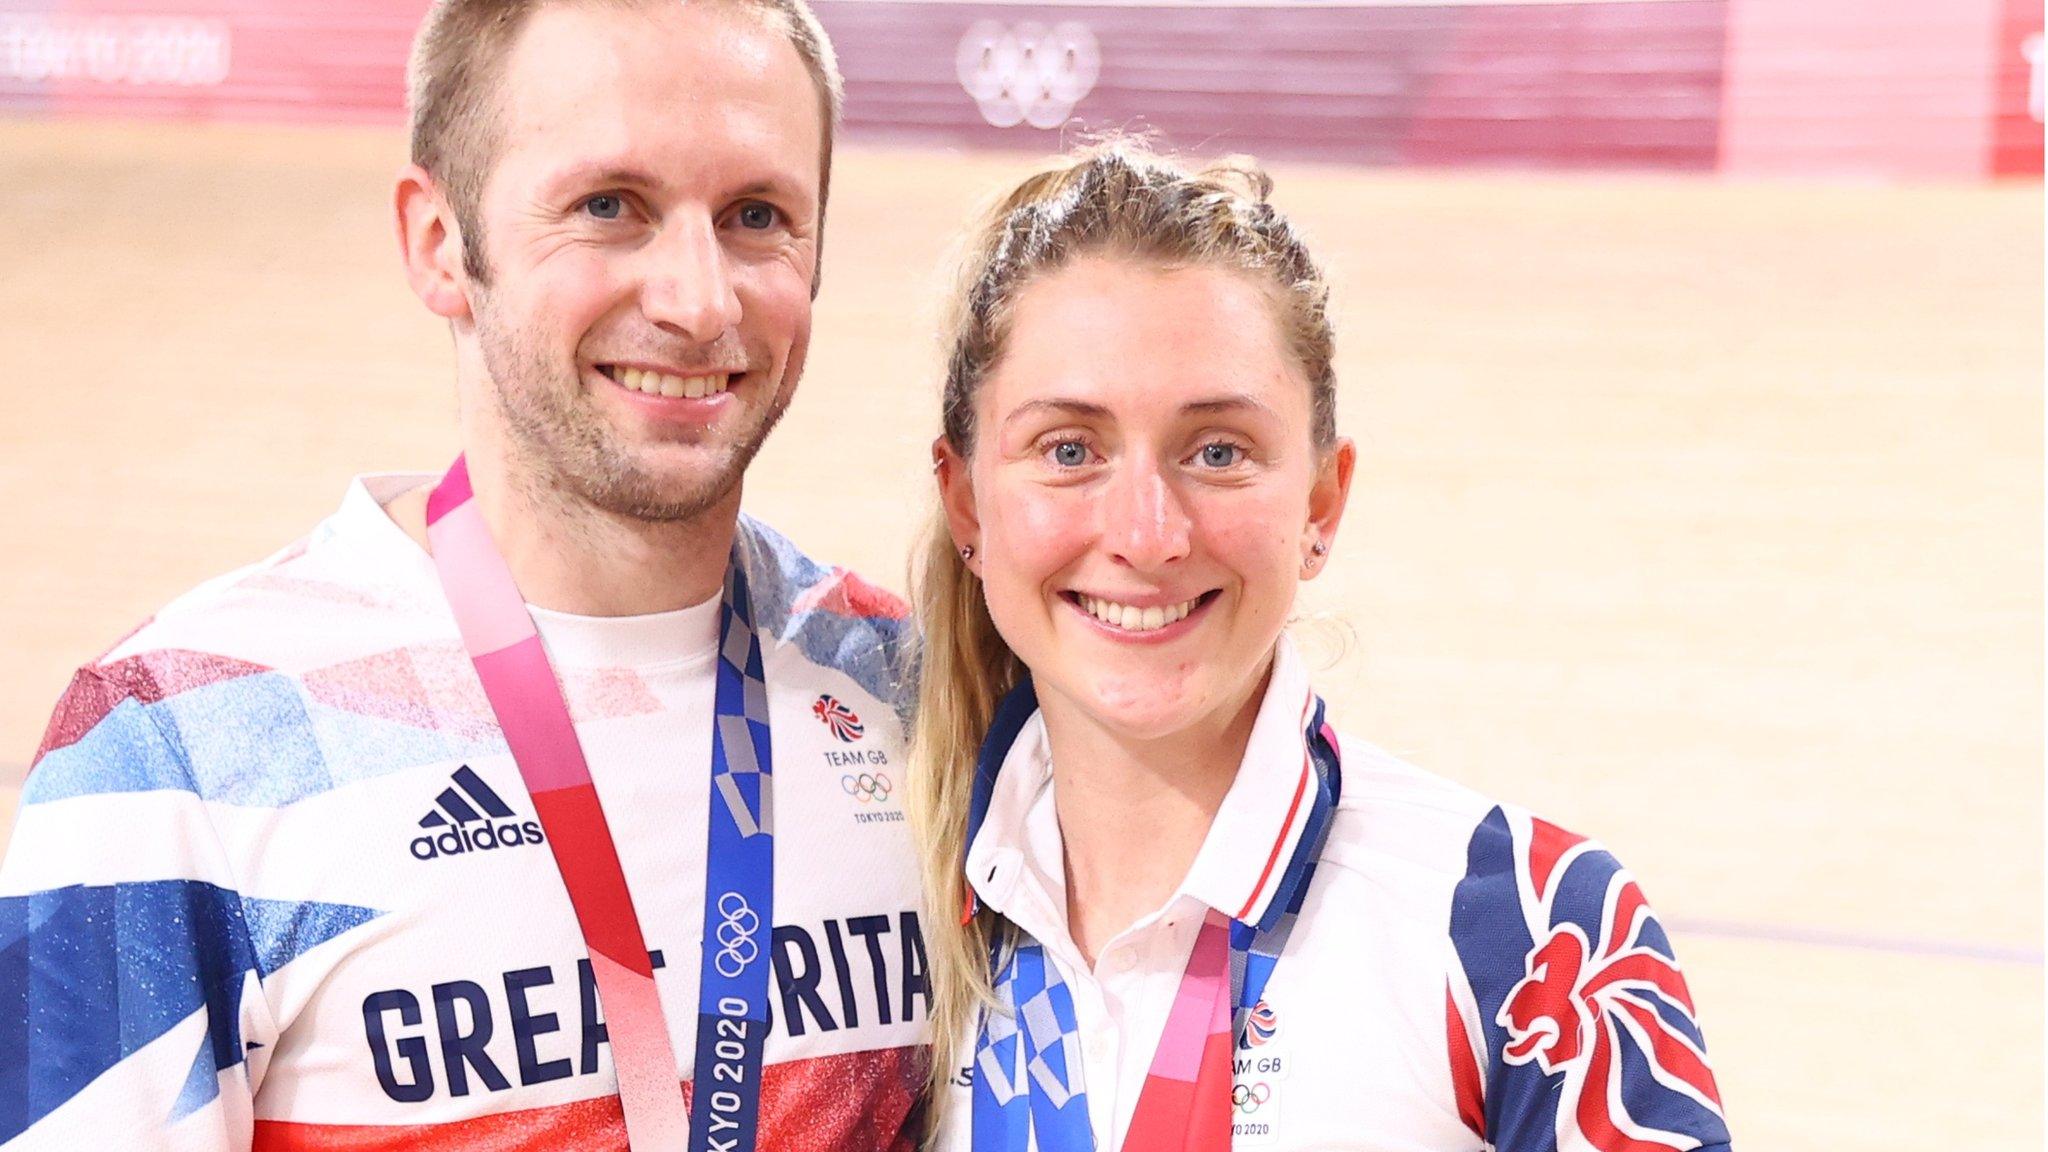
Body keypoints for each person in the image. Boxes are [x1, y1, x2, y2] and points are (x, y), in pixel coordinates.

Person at [0, 0, 930, 1147]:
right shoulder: (180, 741)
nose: (699, 300)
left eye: (756, 215)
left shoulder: (912, 692)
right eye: (608, 207)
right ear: (439, 243)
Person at [908, 143, 1733, 1152]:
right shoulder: (874, 933)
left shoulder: (1527, 927)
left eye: (1217, 451)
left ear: (1320, 502)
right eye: (1069, 451)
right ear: (966, 504)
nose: (1145, 532)